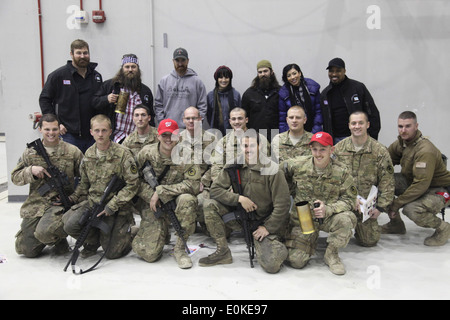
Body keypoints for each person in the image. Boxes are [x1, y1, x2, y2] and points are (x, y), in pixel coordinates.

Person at [199, 134, 290, 273]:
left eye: (252, 145)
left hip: (263, 222)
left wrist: (267, 228)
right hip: (241, 218)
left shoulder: (273, 169)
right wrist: (239, 199)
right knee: (209, 205)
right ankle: (222, 251)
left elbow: (283, 204)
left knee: (271, 266)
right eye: (245, 146)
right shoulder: (233, 166)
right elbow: (215, 190)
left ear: (260, 146)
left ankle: (278, 243)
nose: (248, 149)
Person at [62, 114, 139, 259]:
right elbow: (84, 184)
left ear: (110, 131)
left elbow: (133, 184)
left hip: (115, 207)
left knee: (112, 253)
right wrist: (73, 197)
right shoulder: (89, 154)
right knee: (69, 224)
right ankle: (93, 241)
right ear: (91, 132)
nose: (100, 134)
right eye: (97, 130)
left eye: (104, 130)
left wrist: (112, 205)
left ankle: (131, 231)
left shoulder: (123, 154)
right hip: (93, 203)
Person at [282, 131, 357, 275]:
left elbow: (350, 199)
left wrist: (328, 209)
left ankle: (331, 254)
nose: (318, 154)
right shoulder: (298, 164)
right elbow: (275, 174)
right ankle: (310, 240)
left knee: (346, 219)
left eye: (323, 149)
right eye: (315, 149)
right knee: (297, 262)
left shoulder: (341, 171)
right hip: (304, 219)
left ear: (331, 149)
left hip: (328, 217)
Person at [132, 119, 202, 269]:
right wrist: (152, 194)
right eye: (164, 135)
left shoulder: (188, 155)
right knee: (150, 255)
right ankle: (135, 232)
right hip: (153, 203)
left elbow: (194, 185)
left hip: (176, 202)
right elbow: (133, 180)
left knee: (188, 200)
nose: (169, 139)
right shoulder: (146, 153)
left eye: (173, 135)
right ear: (158, 136)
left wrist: (162, 191)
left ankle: (179, 249)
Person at [11, 114, 83, 257]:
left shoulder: (72, 151)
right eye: (47, 129)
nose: (51, 133)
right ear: (40, 129)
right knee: (25, 250)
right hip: (36, 204)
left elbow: (86, 178)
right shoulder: (31, 153)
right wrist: (30, 170)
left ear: (60, 129)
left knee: (45, 232)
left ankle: (58, 239)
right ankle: (47, 237)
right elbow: (15, 177)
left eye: (54, 129)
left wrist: (74, 197)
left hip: (61, 204)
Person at [381, 111, 450, 246]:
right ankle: (396, 225)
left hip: (437, 189)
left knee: (411, 210)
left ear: (416, 126)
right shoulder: (402, 143)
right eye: (400, 126)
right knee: (381, 184)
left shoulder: (425, 150)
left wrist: (396, 204)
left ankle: (444, 228)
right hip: (412, 182)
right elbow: (384, 160)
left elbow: (421, 185)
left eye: (408, 126)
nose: (403, 130)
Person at [334, 111, 395, 247]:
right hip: (345, 202)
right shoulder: (338, 149)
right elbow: (332, 178)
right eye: (353, 123)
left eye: (360, 123)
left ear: (367, 125)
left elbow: (387, 181)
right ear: (349, 125)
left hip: (366, 206)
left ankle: (361, 226)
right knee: (337, 236)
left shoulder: (379, 151)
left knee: (369, 240)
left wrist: (381, 208)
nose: (357, 126)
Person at [39, 39, 103, 153]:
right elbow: (44, 99)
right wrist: (56, 123)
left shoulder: (96, 77)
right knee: (70, 169)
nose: (82, 56)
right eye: (79, 53)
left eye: (85, 53)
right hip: (68, 134)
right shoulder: (58, 76)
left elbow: (98, 102)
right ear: (71, 54)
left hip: (92, 134)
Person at [93, 54, 154, 143]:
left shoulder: (145, 91)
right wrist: (106, 99)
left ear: (138, 69)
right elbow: (93, 102)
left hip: (137, 139)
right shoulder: (111, 85)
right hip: (115, 137)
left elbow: (151, 116)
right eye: (127, 67)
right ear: (122, 69)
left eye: (133, 67)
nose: (130, 70)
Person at [320, 57, 381, 144]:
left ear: (344, 71)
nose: (334, 74)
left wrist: (371, 137)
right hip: (336, 141)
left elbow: (373, 113)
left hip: (358, 138)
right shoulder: (325, 94)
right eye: (331, 71)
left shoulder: (358, 88)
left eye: (338, 71)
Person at [176, 107, 216, 233]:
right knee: (185, 201)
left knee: (203, 203)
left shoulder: (211, 139)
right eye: (188, 118)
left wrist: (204, 181)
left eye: (194, 118)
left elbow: (216, 165)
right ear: (183, 120)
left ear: (200, 119)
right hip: (185, 184)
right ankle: (187, 227)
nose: (191, 121)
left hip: (205, 185)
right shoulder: (177, 140)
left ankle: (203, 223)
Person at [210, 107, 270, 180]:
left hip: (256, 184)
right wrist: (227, 187)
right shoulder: (223, 142)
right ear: (230, 121)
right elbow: (216, 169)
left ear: (246, 120)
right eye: (233, 119)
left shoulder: (260, 139)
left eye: (240, 118)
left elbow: (268, 165)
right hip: (231, 186)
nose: (237, 122)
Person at [154, 47, 207, 128]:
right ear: (173, 61)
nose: (180, 64)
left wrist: (196, 124)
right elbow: (158, 105)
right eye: (177, 60)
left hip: (191, 128)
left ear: (188, 61)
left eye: (183, 60)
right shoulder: (164, 81)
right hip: (169, 128)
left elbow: (202, 106)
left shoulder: (197, 82)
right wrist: (163, 123)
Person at [242, 60, 280, 142]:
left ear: (272, 72)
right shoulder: (249, 93)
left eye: (265, 71)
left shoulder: (280, 92)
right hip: (256, 137)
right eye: (260, 72)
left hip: (276, 136)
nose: (263, 74)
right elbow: (244, 117)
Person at [278, 63, 322, 134]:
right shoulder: (283, 93)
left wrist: (315, 131)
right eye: (289, 75)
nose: (292, 77)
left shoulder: (312, 87)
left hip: (313, 130)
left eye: (294, 73)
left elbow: (318, 111)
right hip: (293, 132)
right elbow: (282, 117)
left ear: (300, 73)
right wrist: (287, 134)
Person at [206, 65, 241, 136]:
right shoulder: (210, 95)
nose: (224, 80)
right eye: (221, 77)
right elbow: (209, 114)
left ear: (230, 79)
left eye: (226, 77)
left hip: (233, 132)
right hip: (215, 133)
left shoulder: (236, 95)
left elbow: (240, 113)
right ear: (217, 79)